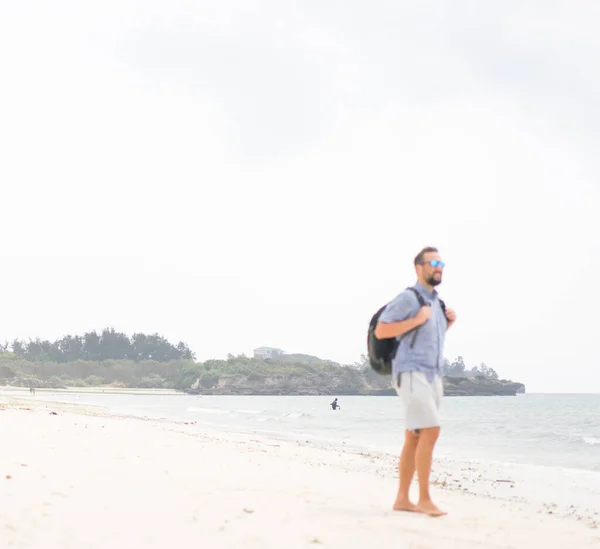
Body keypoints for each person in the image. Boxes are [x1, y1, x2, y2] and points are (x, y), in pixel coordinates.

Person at [374, 246, 456, 517]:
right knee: (431, 430)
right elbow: (382, 329)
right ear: (418, 267)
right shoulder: (410, 299)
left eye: (441, 263)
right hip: (410, 372)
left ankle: (402, 499)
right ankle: (424, 499)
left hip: (432, 375)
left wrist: (447, 323)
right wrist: (416, 319)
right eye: (433, 262)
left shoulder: (436, 303)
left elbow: (428, 338)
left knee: (414, 435)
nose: (438, 267)